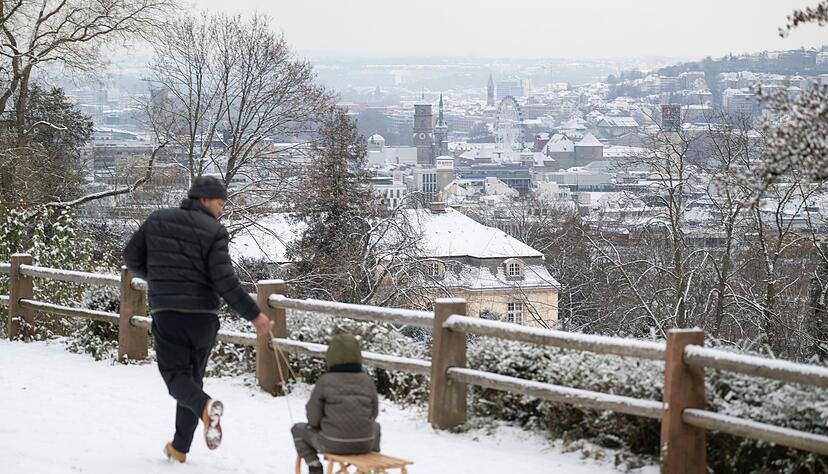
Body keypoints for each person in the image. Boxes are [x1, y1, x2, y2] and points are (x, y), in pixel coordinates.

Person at [123, 176, 274, 463]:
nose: (221, 210)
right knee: (191, 380)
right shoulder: (215, 231)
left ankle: (205, 407)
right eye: (219, 203)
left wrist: (156, 279)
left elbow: (131, 257)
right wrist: (254, 315)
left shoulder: (157, 220)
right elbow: (225, 281)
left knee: (176, 379)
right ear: (203, 199)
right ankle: (180, 447)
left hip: (168, 315)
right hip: (203, 319)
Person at [292, 332, 381, 474]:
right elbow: (374, 413)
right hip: (365, 443)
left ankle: (314, 465)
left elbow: (313, 415)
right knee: (376, 427)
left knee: (297, 429)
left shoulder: (325, 381)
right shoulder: (367, 381)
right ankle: (368, 466)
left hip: (332, 442)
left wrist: (318, 426)